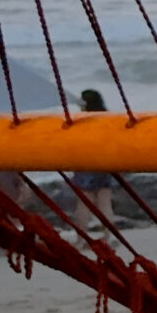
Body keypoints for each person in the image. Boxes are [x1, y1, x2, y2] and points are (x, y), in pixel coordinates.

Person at [68, 88, 122, 231]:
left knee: (83, 204)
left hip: (85, 163)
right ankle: (108, 237)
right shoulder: (107, 118)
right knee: (105, 203)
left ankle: (81, 238)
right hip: (103, 163)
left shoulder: (81, 120)